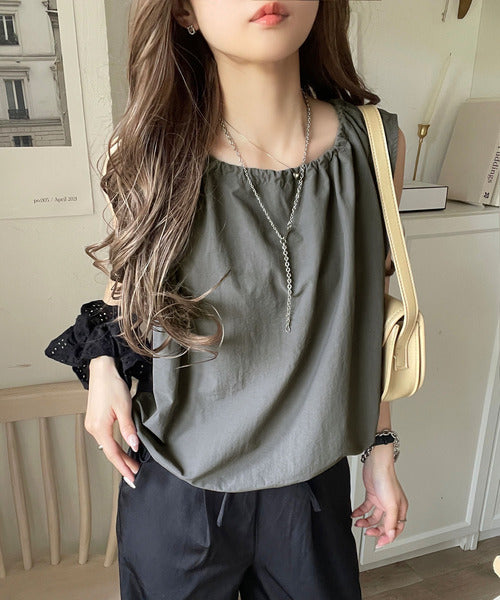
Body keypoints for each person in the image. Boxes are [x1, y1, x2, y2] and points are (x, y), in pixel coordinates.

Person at [45, 0, 409, 598]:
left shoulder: (377, 144)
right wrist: (103, 364)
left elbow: (374, 320)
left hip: (311, 489)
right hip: (177, 486)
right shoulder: (146, 149)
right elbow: (126, 293)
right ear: (183, 11)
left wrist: (381, 449)